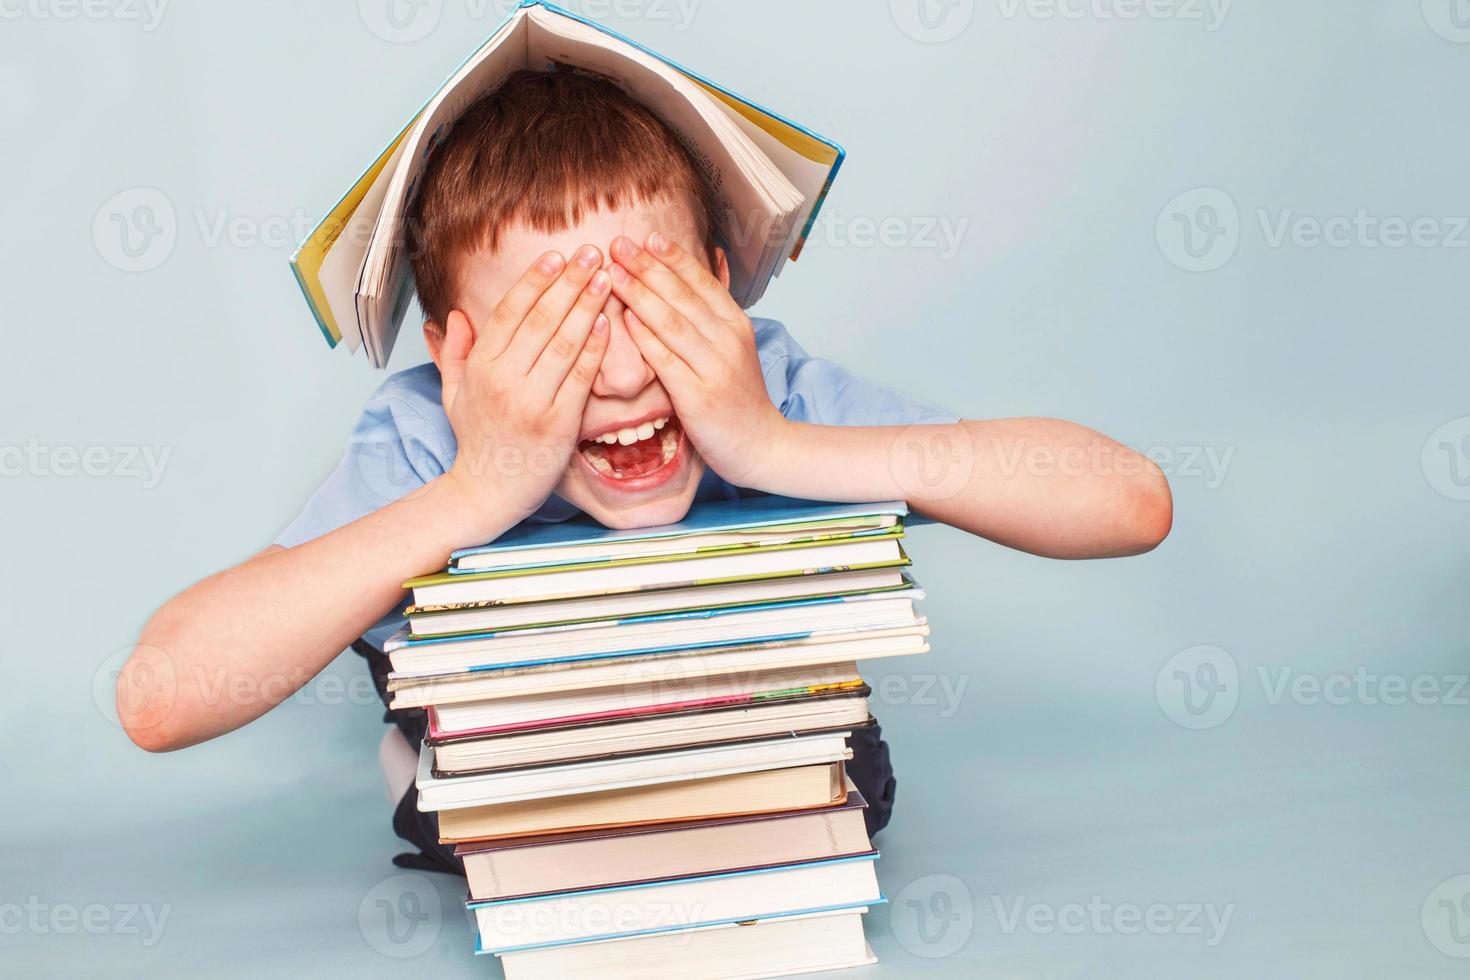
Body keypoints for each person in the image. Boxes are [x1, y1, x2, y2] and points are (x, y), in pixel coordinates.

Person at [119, 69, 1172, 871]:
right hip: (510, 766)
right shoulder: (427, 433)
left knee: (833, 802)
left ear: (722, 291)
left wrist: (771, 445)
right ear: (455, 357)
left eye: (657, 311)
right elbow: (160, 697)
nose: (622, 375)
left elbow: (1131, 501)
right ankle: (430, 759)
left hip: (757, 739)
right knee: (488, 816)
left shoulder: (768, 384)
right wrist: (479, 487)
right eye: (558, 334)